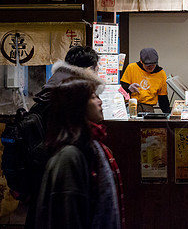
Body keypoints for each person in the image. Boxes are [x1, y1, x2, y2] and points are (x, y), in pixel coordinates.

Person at [25, 46, 103, 228]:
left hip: (42, 168)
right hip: (50, 167)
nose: (98, 101)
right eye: (93, 96)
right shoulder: (68, 93)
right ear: (89, 69)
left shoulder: (55, 85)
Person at [34, 78, 124, 229]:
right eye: (93, 97)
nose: (100, 102)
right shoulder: (69, 156)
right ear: (76, 105)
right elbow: (68, 216)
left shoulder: (93, 145)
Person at [120, 47, 170, 113]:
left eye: (153, 65)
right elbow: (121, 89)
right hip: (132, 106)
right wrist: (128, 88)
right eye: (148, 65)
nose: (151, 67)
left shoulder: (161, 73)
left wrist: (168, 114)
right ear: (141, 61)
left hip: (148, 108)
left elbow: (162, 97)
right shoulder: (132, 68)